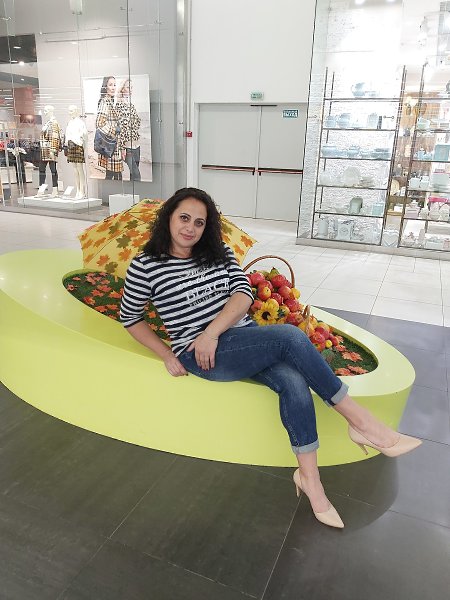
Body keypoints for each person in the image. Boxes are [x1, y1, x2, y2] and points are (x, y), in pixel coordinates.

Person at [120, 187, 421, 529]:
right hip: (200, 354)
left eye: (199, 222)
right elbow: (130, 317)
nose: (190, 228)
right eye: (184, 218)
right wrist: (166, 354)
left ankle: (310, 480)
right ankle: (362, 423)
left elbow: (243, 295)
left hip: (238, 338)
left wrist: (212, 331)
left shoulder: (219, 252)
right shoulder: (146, 265)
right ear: (169, 218)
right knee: (290, 336)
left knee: (293, 381)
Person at [96, 76, 123, 180]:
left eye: (114, 85)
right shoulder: (105, 102)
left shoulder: (109, 101)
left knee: (111, 174)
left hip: (112, 144)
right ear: (105, 87)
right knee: (116, 176)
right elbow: (99, 124)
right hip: (110, 144)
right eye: (110, 85)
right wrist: (114, 130)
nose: (113, 88)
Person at [116, 78, 142, 181]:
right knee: (136, 175)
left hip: (137, 144)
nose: (131, 89)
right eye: (128, 87)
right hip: (127, 147)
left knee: (134, 174)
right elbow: (120, 129)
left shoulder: (131, 105)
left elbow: (137, 123)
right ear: (122, 89)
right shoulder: (119, 105)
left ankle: (133, 192)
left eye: (131, 87)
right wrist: (122, 148)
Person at [65, 105, 87, 199]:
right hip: (71, 146)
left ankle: (82, 191)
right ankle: (78, 190)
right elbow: (67, 134)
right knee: (75, 170)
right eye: (69, 111)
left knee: (80, 169)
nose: (70, 113)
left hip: (78, 146)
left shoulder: (80, 122)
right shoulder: (70, 123)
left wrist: (80, 142)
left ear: (76, 111)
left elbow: (84, 135)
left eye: (71, 111)